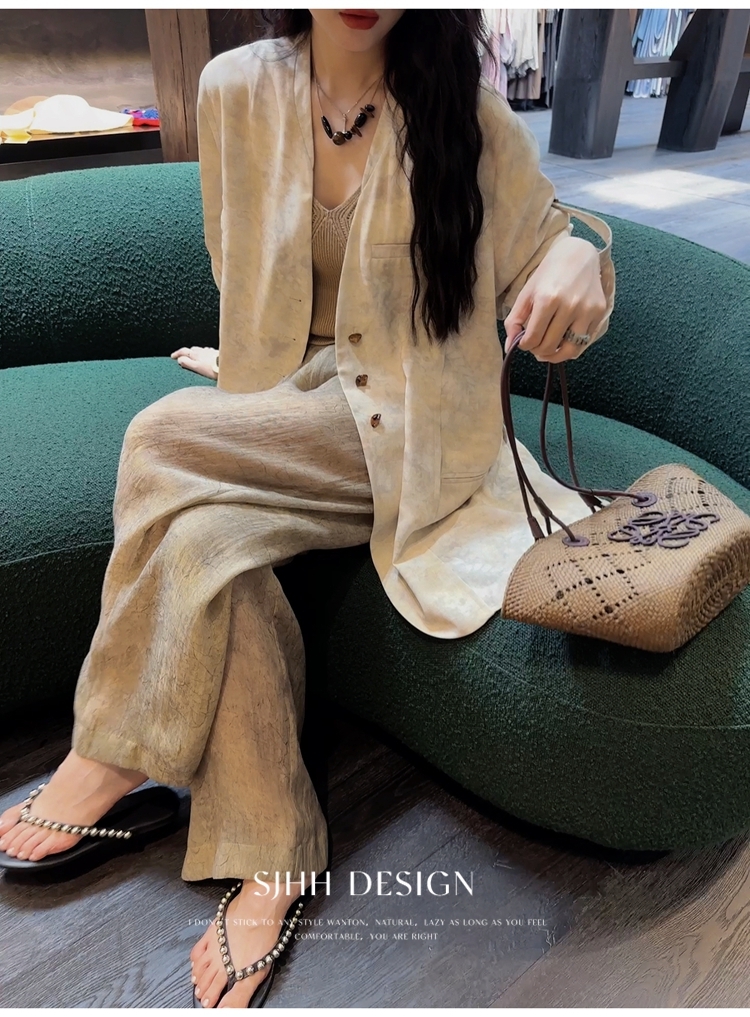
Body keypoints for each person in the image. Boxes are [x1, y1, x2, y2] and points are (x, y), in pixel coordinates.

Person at [0, 9, 614, 1009]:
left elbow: (556, 257)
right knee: (206, 539)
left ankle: (109, 749)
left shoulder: (469, 117)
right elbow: (239, 265)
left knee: (158, 439)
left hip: (421, 427)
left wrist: (582, 254)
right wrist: (257, 388)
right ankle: (276, 851)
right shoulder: (234, 89)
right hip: (302, 404)